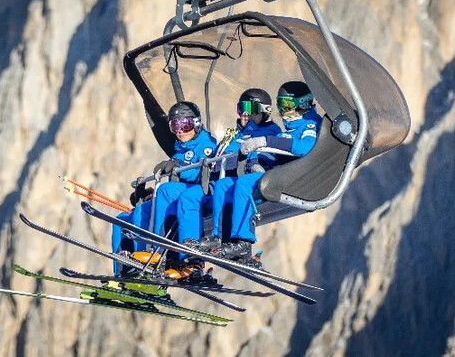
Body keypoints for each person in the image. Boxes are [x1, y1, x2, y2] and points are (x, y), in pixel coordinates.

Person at [218, 80, 324, 262]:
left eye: (287, 105)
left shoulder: (310, 124)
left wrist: (267, 141)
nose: (282, 110)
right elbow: (270, 153)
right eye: (280, 104)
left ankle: (243, 243)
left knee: (243, 183)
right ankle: (224, 240)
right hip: (277, 173)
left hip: (294, 178)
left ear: (303, 104)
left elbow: (304, 147)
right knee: (224, 184)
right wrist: (254, 162)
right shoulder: (290, 129)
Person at [112, 101, 217, 273]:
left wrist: (177, 165)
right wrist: (148, 196)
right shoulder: (179, 149)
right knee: (129, 216)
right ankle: (126, 269)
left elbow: (202, 174)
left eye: (185, 124)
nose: (180, 131)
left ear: (196, 124)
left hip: (202, 193)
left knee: (165, 191)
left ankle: (158, 251)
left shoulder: (207, 145)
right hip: (181, 194)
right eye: (175, 126)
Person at [177, 88, 281, 253]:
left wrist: (250, 159)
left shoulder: (270, 132)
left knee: (222, 186)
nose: (245, 114)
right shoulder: (234, 134)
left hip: (247, 179)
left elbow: (265, 157)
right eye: (241, 108)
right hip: (218, 180)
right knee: (211, 189)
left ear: (265, 111)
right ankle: (218, 239)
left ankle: (240, 243)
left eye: (251, 109)